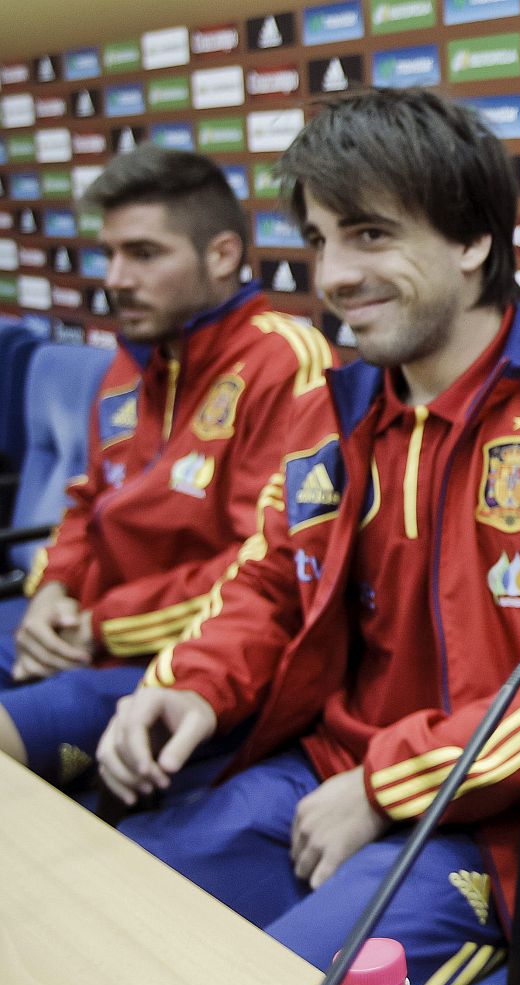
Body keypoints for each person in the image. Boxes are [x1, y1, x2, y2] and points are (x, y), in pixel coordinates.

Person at [95, 89, 520, 985]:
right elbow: (272, 579)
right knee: (104, 914)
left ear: (473, 241)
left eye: (369, 234)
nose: (333, 274)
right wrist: (189, 680)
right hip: (322, 770)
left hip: (500, 830)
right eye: (321, 239)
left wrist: (386, 784)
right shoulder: (338, 399)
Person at [0, 146, 331, 788]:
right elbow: (85, 500)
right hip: (77, 628)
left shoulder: (285, 361)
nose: (117, 277)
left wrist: (100, 625)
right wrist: (52, 595)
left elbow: (262, 564)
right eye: (111, 254)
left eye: (144, 254)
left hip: (182, 655)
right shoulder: (136, 353)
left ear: (223, 255)